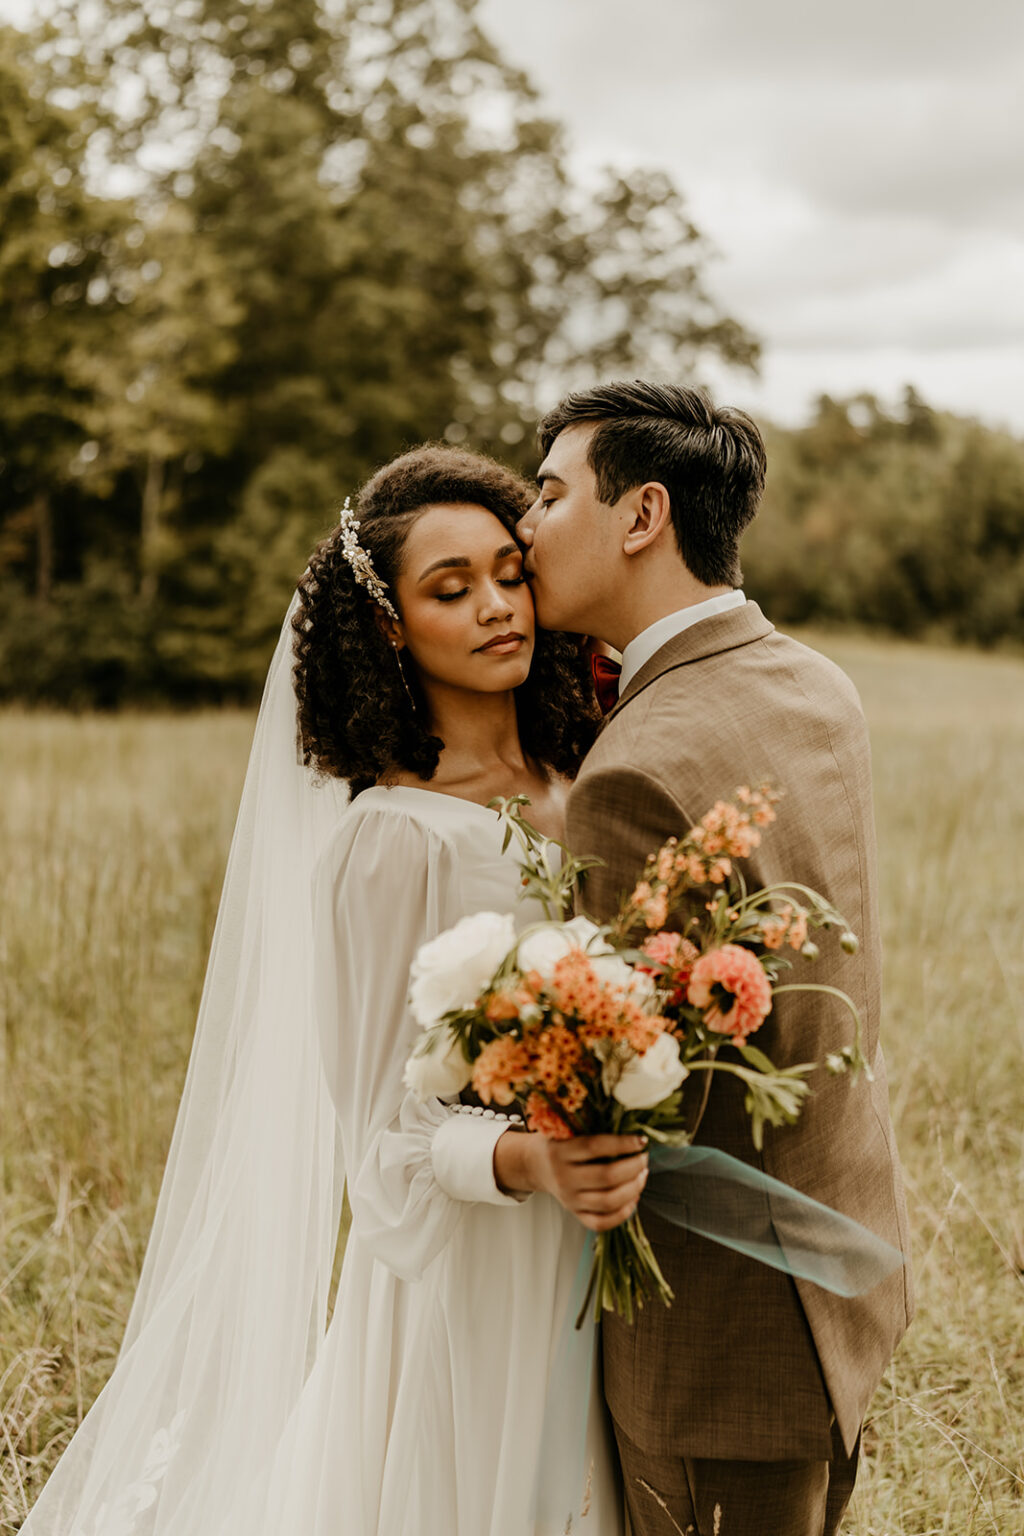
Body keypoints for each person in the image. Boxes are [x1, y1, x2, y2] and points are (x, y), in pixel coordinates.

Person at [19, 445, 635, 1536]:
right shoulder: (391, 840)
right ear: (391, 625)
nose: (498, 608)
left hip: (619, 1232)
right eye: (452, 590)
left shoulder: (592, 771)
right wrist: (528, 1160)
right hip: (480, 1275)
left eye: (508, 572)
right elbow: (384, 1144)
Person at [515, 381, 915, 1536]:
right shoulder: (810, 680)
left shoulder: (636, 768)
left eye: (548, 493)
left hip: (722, 1339)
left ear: (641, 515)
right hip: (844, 1259)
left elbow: (644, 1099)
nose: (527, 527)